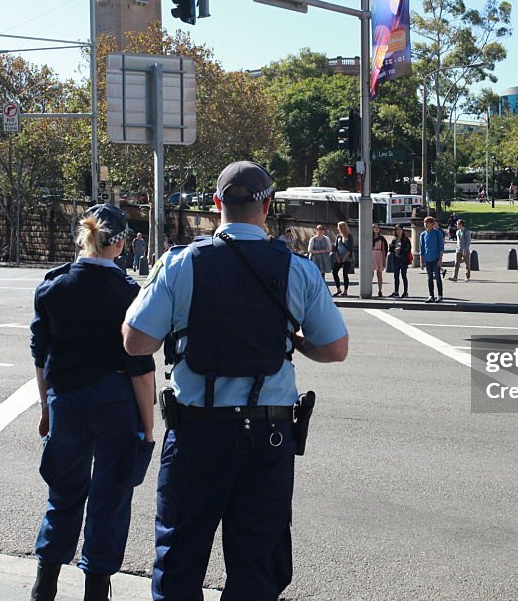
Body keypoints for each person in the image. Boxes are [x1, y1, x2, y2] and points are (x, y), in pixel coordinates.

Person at [121, 161, 349, 601]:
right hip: (269, 437)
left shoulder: (180, 263)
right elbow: (335, 349)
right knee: (257, 565)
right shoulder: (298, 270)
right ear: (268, 206)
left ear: (216, 203)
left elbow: (135, 343)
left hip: (197, 433)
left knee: (180, 559)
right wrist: (294, 341)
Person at [29, 204, 156, 601]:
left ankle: (45, 581)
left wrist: (47, 408)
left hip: (65, 399)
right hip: (115, 400)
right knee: (111, 496)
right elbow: (139, 366)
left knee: (63, 492)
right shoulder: (127, 292)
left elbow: (40, 354)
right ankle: (96, 587)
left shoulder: (52, 287)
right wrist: (148, 426)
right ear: (119, 243)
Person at [419, 216, 445, 303]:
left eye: (428, 223)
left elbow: (441, 247)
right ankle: (431, 295)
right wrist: (421, 261)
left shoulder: (437, 233)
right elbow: (422, 248)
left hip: (436, 258)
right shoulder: (423, 234)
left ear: (432, 224)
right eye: (425, 223)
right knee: (429, 278)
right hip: (427, 258)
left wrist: (440, 260)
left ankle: (440, 295)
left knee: (437, 277)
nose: (426, 224)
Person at [331, 221, 354, 297]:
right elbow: (336, 247)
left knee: (345, 273)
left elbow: (350, 248)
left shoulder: (349, 236)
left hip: (347, 257)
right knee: (334, 271)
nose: (337, 228)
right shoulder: (338, 236)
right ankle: (338, 289)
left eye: (339, 227)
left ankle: (345, 290)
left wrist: (344, 257)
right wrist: (337, 257)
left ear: (342, 227)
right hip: (339, 257)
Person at [389, 225, 411, 298]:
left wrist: (400, 249)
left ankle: (405, 292)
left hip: (403, 260)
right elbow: (391, 250)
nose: (398, 231)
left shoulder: (406, 239)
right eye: (397, 230)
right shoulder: (394, 239)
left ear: (402, 230)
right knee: (396, 276)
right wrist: (392, 248)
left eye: (400, 229)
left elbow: (408, 249)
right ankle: (396, 292)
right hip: (396, 260)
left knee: (404, 276)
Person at [370, 223, 389, 297]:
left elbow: (384, 249)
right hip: (372, 254)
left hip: (379, 254)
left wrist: (384, 260)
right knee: (370, 274)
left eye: (378, 227)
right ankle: (369, 289)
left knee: (379, 274)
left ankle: (380, 290)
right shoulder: (370, 238)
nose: (376, 229)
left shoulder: (382, 238)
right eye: (375, 227)